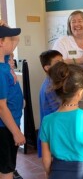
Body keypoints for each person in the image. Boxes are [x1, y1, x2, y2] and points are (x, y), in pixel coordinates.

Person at [39, 62, 83, 179]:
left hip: (58, 172)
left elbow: (46, 159)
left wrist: (49, 173)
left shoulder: (47, 121)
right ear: (80, 92)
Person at [52, 10, 83, 104]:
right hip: (69, 95)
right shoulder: (62, 42)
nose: (76, 24)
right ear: (69, 25)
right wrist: (78, 60)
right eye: (73, 22)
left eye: (80, 21)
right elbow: (54, 63)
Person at [0, 25, 25, 179]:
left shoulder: (6, 60)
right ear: (1, 42)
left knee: (5, 165)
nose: (14, 41)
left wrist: (3, 25)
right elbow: (1, 107)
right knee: (7, 170)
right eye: (9, 38)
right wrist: (16, 133)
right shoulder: (0, 71)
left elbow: (17, 37)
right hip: (5, 128)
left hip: (8, 125)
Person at [37, 50, 63, 158]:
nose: (62, 64)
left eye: (62, 61)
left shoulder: (52, 82)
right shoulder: (50, 87)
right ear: (47, 68)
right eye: (57, 62)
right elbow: (59, 111)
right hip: (54, 131)